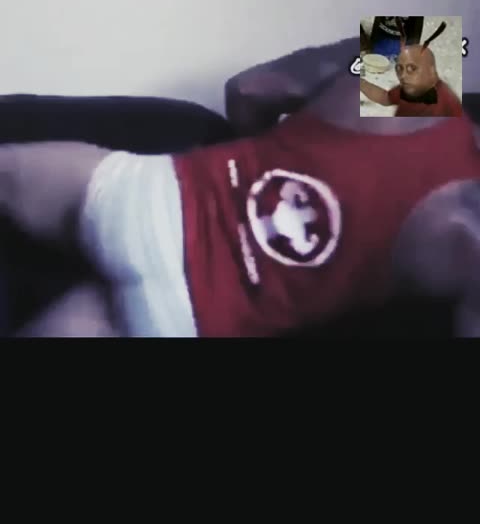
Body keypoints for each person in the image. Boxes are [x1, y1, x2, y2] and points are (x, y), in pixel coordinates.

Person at [2, 34, 480, 338]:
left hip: (152, 204)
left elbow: (250, 89)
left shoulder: (426, 59)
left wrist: (270, 160)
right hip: (183, 318)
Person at [360, 21, 463, 118]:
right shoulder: (410, 89)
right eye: (399, 69)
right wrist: (361, 83)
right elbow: (385, 97)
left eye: (412, 69)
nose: (403, 76)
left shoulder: (446, 102)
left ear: (432, 72)